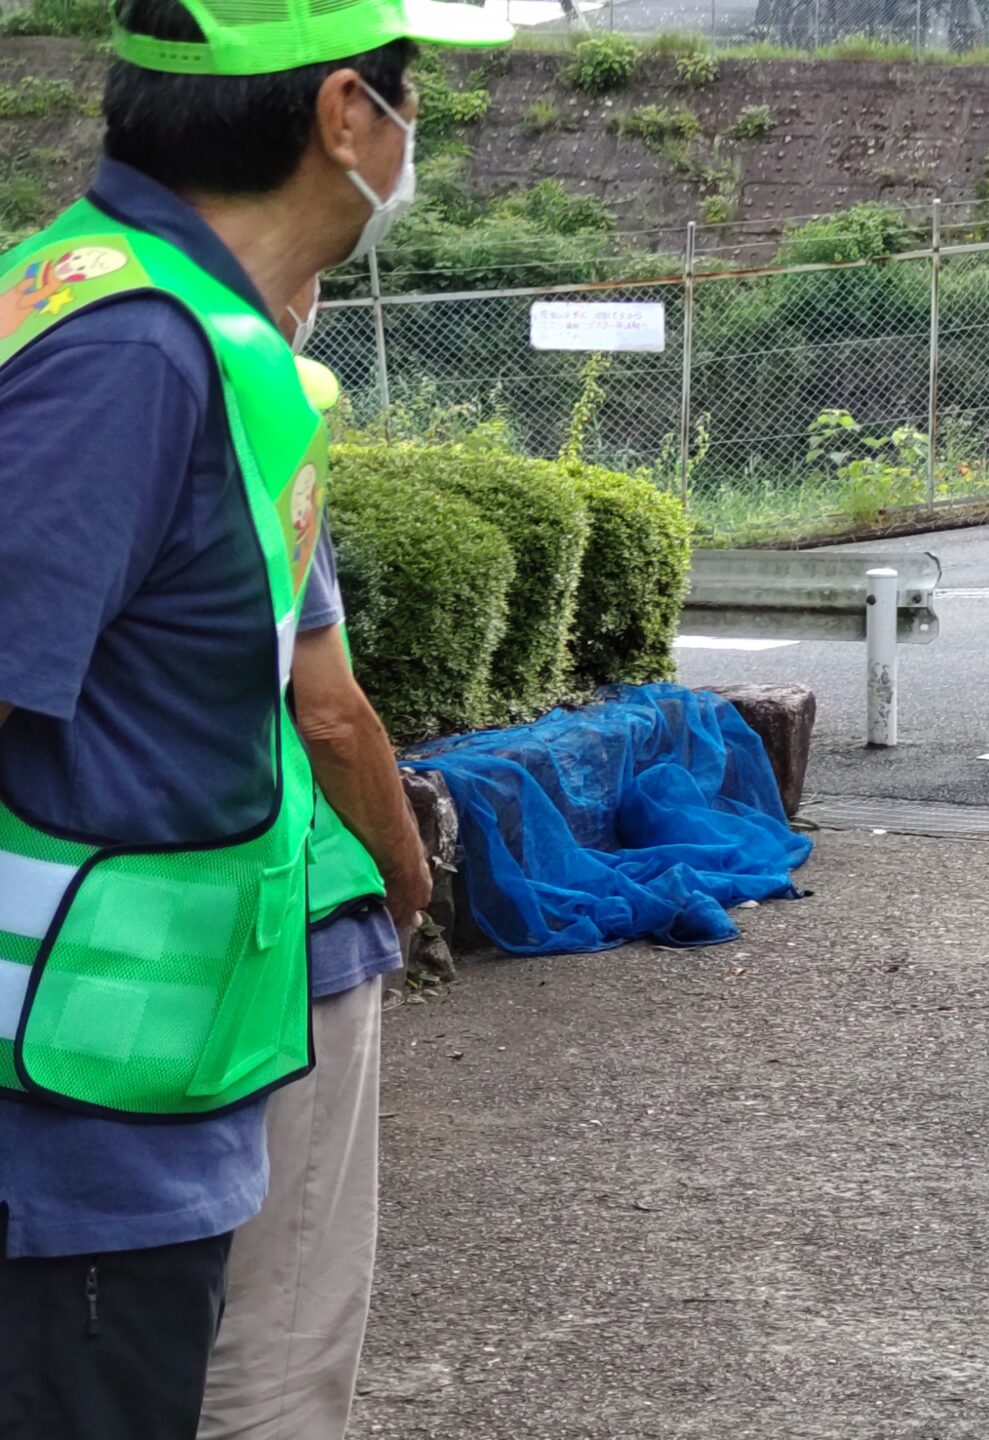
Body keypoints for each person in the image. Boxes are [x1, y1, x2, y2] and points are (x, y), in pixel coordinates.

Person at [0, 0, 507, 1433]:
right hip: (78, 1134)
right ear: (344, 114)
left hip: (130, 1083)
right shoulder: (137, 352)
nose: (414, 138)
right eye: (409, 100)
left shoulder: (122, 303)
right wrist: (408, 870)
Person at [199, 317, 437, 1438]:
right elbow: (327, 710)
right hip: (283, 910)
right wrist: (407, 869)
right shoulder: (255, 406)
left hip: (70, 957)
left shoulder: (39, 354)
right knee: (279, 1315)